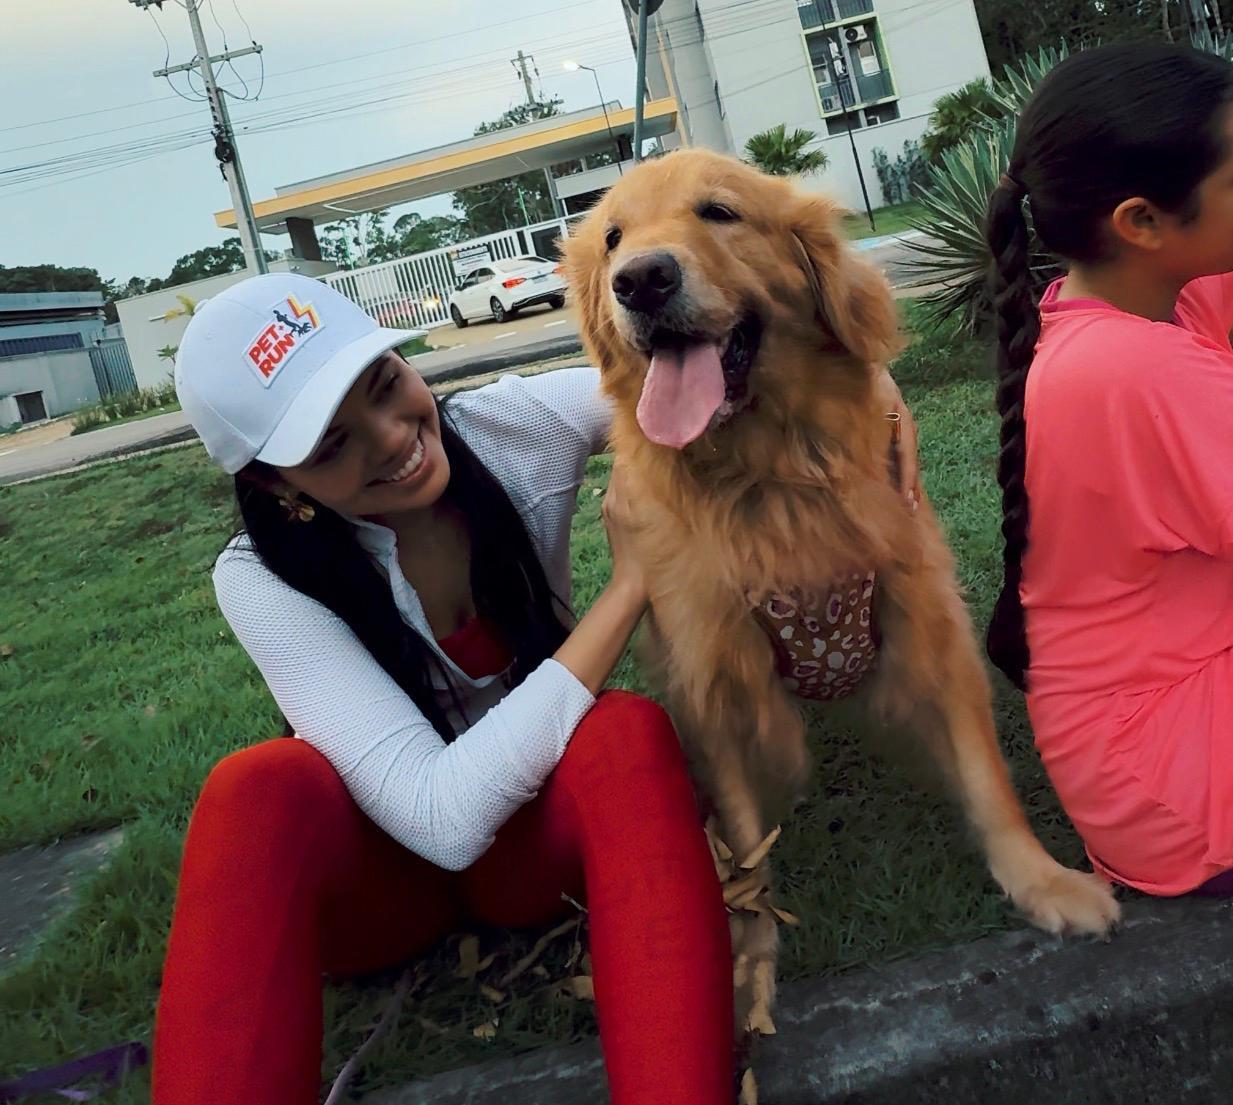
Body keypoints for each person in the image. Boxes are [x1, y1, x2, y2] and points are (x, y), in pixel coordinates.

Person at [153, 271, 921, 1104]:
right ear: (276, 484)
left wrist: (866, 380)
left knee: (621, 731)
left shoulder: (507, 429)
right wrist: (629, 585)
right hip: (387, 887)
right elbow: (438, 817)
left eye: (386, 384)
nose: (390, 438)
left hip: (530, 853)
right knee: (256, 787)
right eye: (332, 445)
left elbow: (702, 383)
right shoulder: (261, 577)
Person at [985, 42, 1233, 900]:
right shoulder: (1137, 372)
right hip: (1176, 779)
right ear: (1141, 221)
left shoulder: (1130, 302)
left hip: (1136, 737)